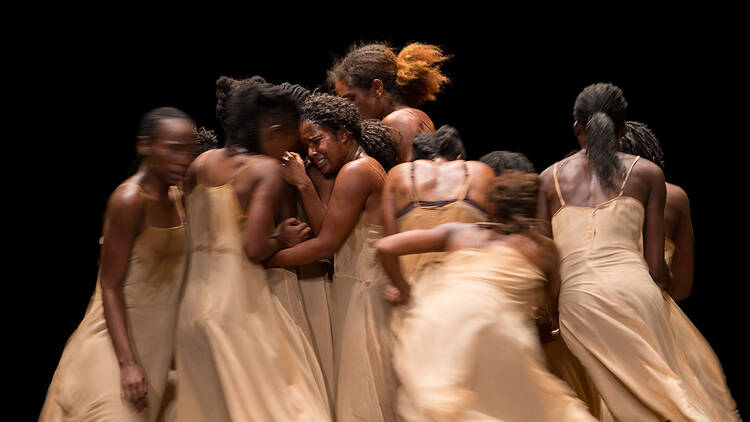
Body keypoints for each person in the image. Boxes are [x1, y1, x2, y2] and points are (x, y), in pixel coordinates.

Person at [537, 82, 740, 421]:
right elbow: (656, 267)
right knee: (661, 390)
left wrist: (550, 316)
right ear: (623, 129)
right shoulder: (647, 173)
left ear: (576, 128)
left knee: (621, 400)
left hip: (580, 299)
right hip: (637, 292)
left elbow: (548, 264)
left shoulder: (547, 179)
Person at [376, 171, 597, 421]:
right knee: (518, 405)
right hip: (493, 321)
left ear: (491, 205)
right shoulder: (543, 249)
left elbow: (385, 246)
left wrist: (405, 291)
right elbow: (551, 314)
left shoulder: (459, 232)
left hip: (439, 318)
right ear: (536, 207)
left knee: (451, 403)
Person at [175, 78, 331, 421]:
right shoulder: (263, 169)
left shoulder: (199, 166)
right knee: (284, 404)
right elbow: (252, 247)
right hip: (237, 305)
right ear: (274, 130)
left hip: (191, 306)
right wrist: (282, 239)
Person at [40, 107, 196, 421]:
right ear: (145, 145)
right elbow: (110, 286)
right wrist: (127, 364)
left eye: (188, 151)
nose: (183, 159)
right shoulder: (129, 200)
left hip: (157, 346)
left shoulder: (180, 199)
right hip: (115, 345)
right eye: (173, 149)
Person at [266, 93, 396, 422]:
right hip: (358, 290)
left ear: (342, 134)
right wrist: (304, 184)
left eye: (317, 141)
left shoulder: (356, 171)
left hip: (365, 295)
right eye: (306, 145)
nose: (311, 153)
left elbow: (325, 244)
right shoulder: (362, 167)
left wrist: (267, 257)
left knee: (365, 395)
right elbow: (330, 230)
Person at [380, 125, 495, 306]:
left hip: (417, 301)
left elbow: (389, 244)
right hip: (472, 297)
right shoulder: (481, 172)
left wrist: (403, 289)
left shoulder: (398, 175)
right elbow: (498, 237)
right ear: (458, 158)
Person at [327, 42, 450, 162]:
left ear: (377, 88)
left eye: (350, 99)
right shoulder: (406, 117)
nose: (347, 109)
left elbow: (420, 179)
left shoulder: (398, 121)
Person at [620, 120, 694, 301]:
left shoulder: (586, 200)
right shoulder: (675, 197)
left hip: (595, 310)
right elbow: (682, 288)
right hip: (656, 311)